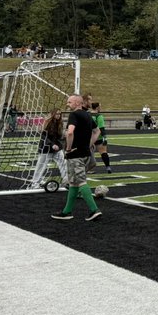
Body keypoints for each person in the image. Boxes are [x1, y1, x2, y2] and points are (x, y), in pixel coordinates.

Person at [51, 93, 102, 221]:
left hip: (75, 154)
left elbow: (70, 132)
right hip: (84, 153)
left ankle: (94, 210)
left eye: (70, 102)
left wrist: (68, 148)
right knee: (73, 182)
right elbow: (97, 132)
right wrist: (88, 144)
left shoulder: (74, 115)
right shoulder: (87, 115)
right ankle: (67, 211)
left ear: (78, 103)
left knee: (80, 181)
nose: (67, 104)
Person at [30, 109, 68, 189]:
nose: (58, 115)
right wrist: (52, 144)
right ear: (52, 114)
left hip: (57, 149)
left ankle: (66, 181)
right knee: (41, 166)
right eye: (57, 114)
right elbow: (44, 136)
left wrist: (63, 138)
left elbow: (59, 137)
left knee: (64, 163)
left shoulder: (60, 123)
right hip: (46, 148)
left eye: (59, 114)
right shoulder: (47, 123)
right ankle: (35, 183)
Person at [90, 100, 112, 172]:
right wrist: (105, 138)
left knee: (88, 155)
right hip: (98, 137)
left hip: (89, 138)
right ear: (97, 108)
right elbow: (101, 128)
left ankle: (88, 169)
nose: (101, 108)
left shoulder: (87, 115)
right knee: (103, 152)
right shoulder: (99, 116)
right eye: (100, 107)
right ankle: (108, 167)